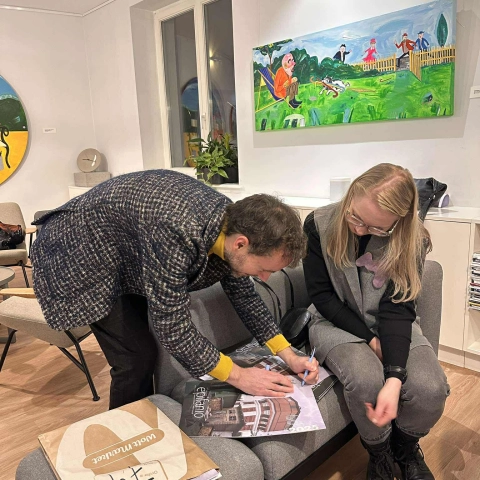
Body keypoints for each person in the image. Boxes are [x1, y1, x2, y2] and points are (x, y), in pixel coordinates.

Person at [31, 170, 319, 409]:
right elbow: (171, 325)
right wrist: (239, 376)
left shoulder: (232, 226)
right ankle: (123, 435)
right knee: (134, 358)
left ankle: (144, 415)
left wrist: (288, 354)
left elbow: (244, 295)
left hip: (124, 246)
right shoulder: (176, 230)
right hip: (79, 251)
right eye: (265, 269)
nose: (265, 278)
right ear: (241, 244)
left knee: (145, 351)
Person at [303, 164, 449, 480]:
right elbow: (323, 296)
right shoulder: (318, 224)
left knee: (431, 389)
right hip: (333, 321)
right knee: (365, 378)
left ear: (399, 222)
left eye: (377, 228)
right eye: (355, 217)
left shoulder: (412, 239)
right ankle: (379, 453)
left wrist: (395, 376)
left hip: (390, 322)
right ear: (351, 193)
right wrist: (370, 341)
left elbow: (398, 308)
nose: (360, 230)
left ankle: (404, 449)